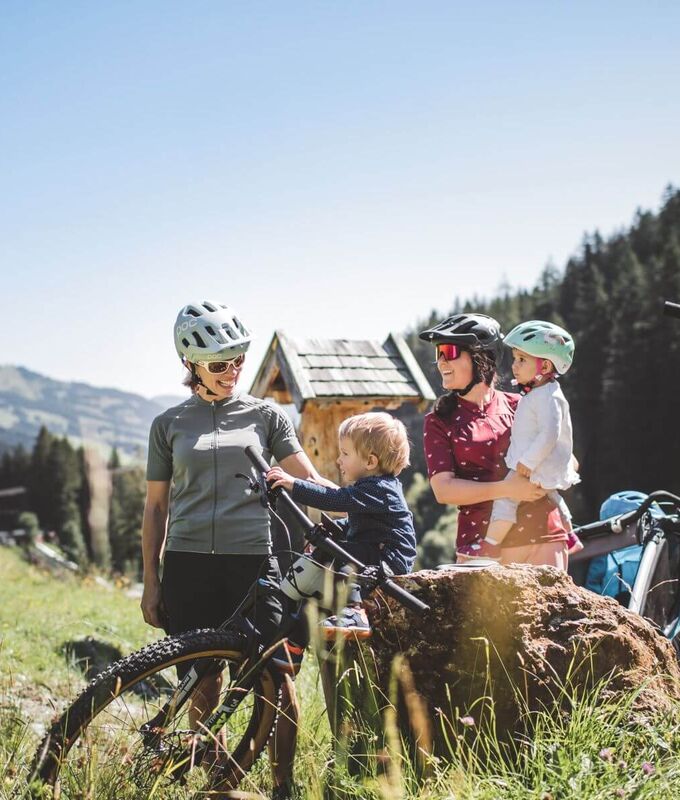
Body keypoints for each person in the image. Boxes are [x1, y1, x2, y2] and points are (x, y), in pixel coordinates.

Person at [141, 299, 324, 800]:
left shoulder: (266, 416)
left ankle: (283, 787)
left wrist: (366, 504)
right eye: (219, 364)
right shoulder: (168, 424)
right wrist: (151, 583)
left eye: (238, 359)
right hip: (187, 565)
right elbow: (156, 509)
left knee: (278, 680)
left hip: (255, 562)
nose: (232, 371)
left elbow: (310, 480)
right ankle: (222, 783)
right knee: (204, 683)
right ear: (190, 364)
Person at [419, 312, 569, 569]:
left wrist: (542, 479)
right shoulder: (438, 421)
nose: (441, 361)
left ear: (482, 358)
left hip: (543, 535)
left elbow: (567, 458)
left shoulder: (521, 404)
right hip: (481, 547)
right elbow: (443, 490)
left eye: (450, 351)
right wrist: (508, 489)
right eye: (438, 353)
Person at [266, 411, 417, 637]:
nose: (339, 460)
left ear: (370, 461)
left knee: (343, 555)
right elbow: (363, 523)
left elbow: (335, 499)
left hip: (389, 556)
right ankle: (297, 638)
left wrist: (293, 485)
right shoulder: (371, 488)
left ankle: (355, 613)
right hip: (374, 549)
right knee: (330, 558)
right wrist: (335, 529)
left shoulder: (380, 489)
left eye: (345, 453)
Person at [465, 320, 581, 559]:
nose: (514, 366)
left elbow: (549, 433)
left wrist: (528, 461)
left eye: (522, 360)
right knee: (552, 495)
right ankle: (571, 535)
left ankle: (489, 546)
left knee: (506, 499)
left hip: (536, 463)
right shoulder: (541, 392)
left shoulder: (548, 397)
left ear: (546, 365)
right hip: (543, 463)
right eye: (515, 358)